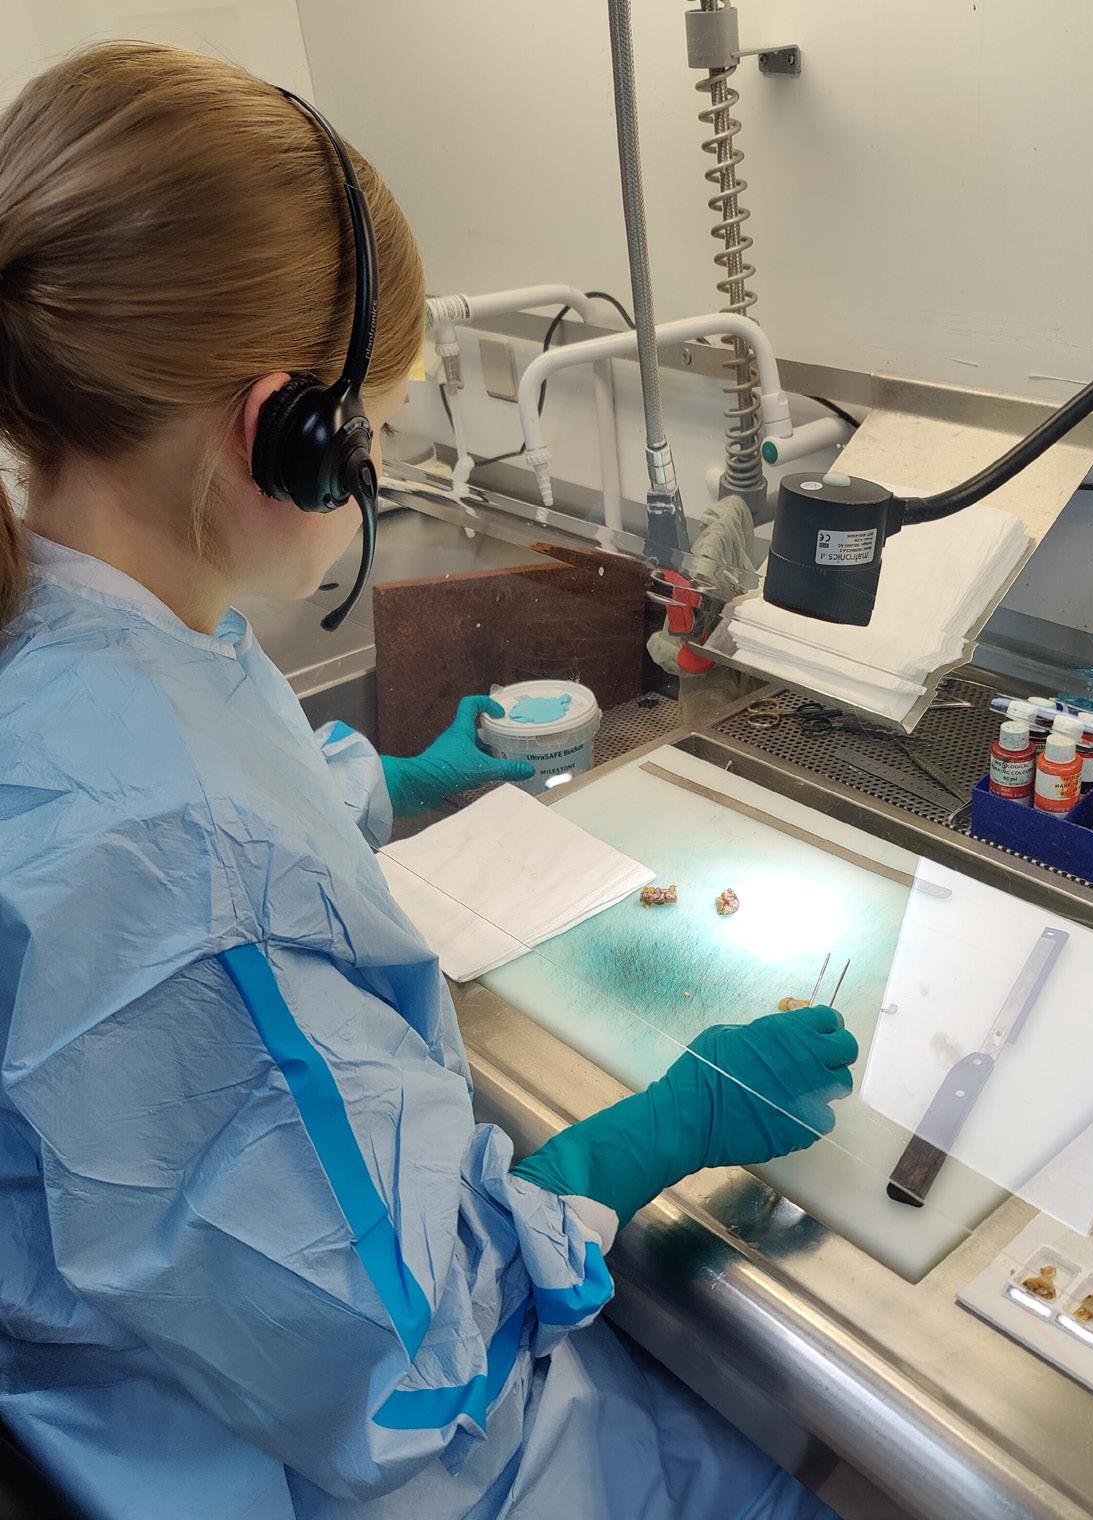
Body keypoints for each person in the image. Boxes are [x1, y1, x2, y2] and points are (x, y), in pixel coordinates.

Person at [0, 43, 858, 1520]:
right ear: (287, 432)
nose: (378, 462)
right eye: (380, 426)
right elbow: (416, 1365)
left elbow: (194, 814)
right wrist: (663, 1128)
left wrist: (396, 777)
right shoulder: (179, 868)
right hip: (340, 1468)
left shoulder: (79, 623)